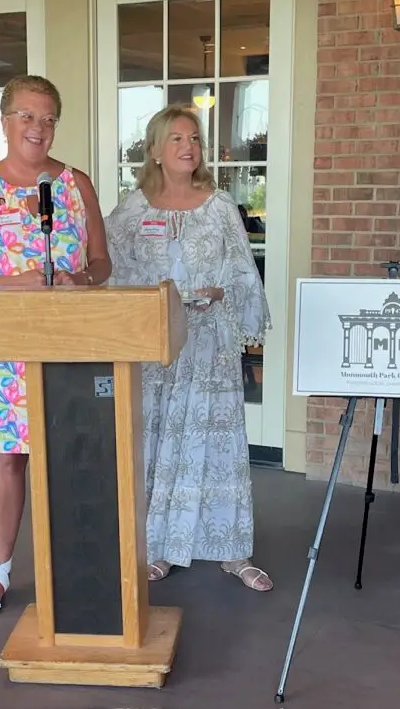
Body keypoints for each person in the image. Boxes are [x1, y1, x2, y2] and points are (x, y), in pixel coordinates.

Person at [0, 75, 111, 619]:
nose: (37, 129)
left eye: (47, 119)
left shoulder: (74, 184)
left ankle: (71, 569)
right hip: (4, 345)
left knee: (71, 461)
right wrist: (25, 280)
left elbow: (102, 262)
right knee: (9, 462)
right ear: (4, 120)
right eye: (26, 116)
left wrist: (79, 281)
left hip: (69, 341)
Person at [104, 104, 273, 591]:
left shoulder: (219, 205)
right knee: (158, 442)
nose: (188, 146)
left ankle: (232, 551)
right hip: (157, 344)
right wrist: (153, 296)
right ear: (155, 150)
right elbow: (113, 266)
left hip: (209, 342)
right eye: (176, 138)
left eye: (194, 138)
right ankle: (161, 546)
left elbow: (242, 269)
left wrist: (220, 292)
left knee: (215, 441)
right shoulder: (133, 208)